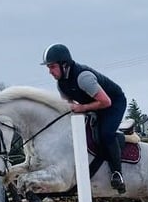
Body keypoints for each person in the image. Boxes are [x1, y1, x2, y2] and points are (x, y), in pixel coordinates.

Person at [42, 43, 127, 193]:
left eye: (52, 67)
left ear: (64, 64)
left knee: (106, 134)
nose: (50, 72)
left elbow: (106, 102)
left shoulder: (83, 77)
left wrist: (83, 108)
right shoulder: (61, 84)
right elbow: (70, 106)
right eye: (48, 67)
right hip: (95, 104)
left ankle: (117, 173)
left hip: (113, 104)